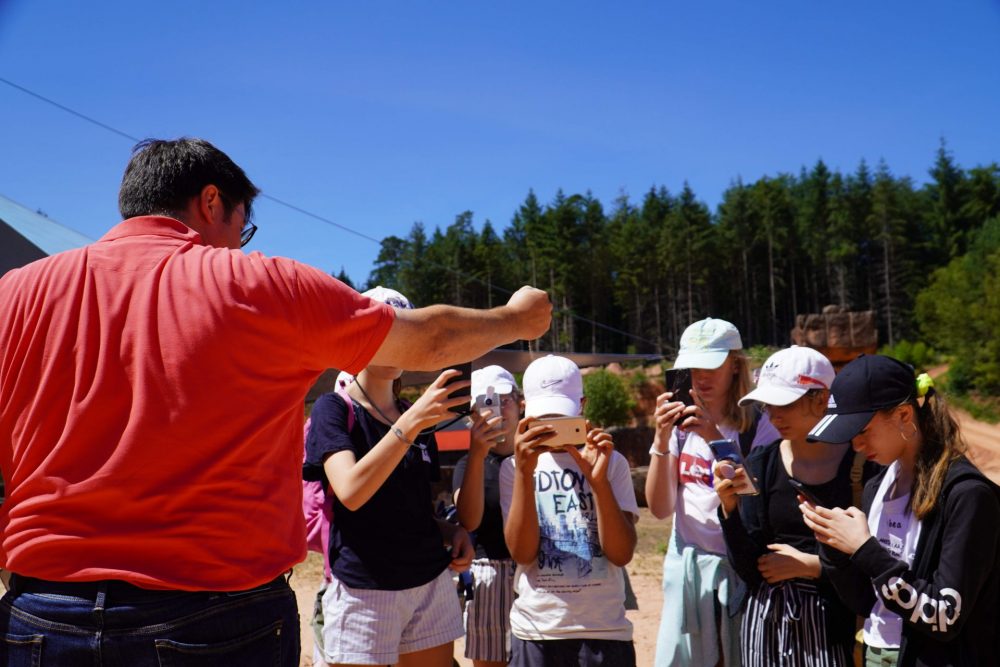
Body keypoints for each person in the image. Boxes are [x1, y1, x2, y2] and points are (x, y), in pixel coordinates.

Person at [0, 137, 552, 666]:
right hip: (217, 620)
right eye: (243, 224)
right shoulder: (257, 284)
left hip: (39, 618)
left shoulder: (14, 296)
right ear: (212, 201)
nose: (243, 241)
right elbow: (427, 339)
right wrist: (518, 319)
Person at [304, 286, 473, 667]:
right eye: (386, 332)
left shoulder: (415, 413)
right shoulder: (334, 408)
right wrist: (410, 425)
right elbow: (350, 490)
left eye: (405, 335)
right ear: (359, 336)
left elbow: (409, 510)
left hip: (429, 582)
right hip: (365, 588)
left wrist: (452, 533)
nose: (398, 345)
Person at [801, 355, 1000, 667]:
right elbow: (867, 602)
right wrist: (834, 549)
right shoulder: (877, 485)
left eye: (862, 430)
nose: (855, 445)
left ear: (905, 415)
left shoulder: (967, 496)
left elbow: (944, 617)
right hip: (878, 653)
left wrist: (867, 552)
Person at [645, 317, 780, 667]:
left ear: (736, 365)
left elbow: (755, 500)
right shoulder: (677, 427)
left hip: (739, 567)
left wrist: (713, 438)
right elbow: (659, 509)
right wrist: (660, 439)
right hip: (687, 566)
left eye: (711, 365)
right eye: (693, 366)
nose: (701, 376)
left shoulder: (760, 424)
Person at [714, 346, 856, 666]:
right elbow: (748, 567)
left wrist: (814, 566)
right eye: (767, 404)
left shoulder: (860, 467)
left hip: (833, 626)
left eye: (785, 403)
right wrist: (729, 511)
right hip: (764, 625)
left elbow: (881, 557)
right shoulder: (760, 465)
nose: (774, 415)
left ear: (821, 398)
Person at [500, 355, 639, 667]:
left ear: (582, 405)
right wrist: (524, 473)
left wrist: (598, 482)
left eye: (561, 417)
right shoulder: (514, 467)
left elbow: (620, 554)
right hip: (538, 630)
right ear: (525, 409)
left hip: (605, 631)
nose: (552, 430)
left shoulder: (610, 462)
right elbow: (522, 554)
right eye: (543, 419)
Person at [452, 365, 521, 667]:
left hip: (536, 572)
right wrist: (478, 452)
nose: (498, 409)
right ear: (472, 414)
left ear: (521, 404)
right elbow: (469, 521)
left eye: (505, 399)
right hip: (487, 576)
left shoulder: (541, 456)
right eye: (487, 402)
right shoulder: (467, 465)